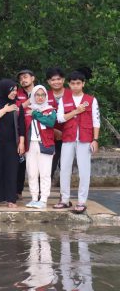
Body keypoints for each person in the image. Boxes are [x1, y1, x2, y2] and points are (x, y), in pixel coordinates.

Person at [54, 70, 100, 214]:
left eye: (78, 83)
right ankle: (65, 199)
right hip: (68, 137)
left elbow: (96, 121)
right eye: (73, 83)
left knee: (84, 171)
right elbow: (60, 118)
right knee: (65, 169)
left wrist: (95, 139)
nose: (75, 86)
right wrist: (76, 111)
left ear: (83, 84)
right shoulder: (64, 99)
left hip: (85, 138)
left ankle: (81, 201)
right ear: (69, 84)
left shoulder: (91, 100)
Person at [0, 79, 22, 208]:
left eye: (16, 90)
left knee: (11, 170)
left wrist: (21, 143)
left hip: (12, 143)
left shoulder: (18, 104)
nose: (14, 93)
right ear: (5, 89)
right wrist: (5, 109)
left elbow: (21, 126)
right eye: (12, 90)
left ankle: (11, 199)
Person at [22, 85, 57, 209]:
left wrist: (36, 113)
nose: (40, 97)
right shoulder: (27, 110)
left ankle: (43, 199)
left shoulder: (50, 110)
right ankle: (34, 198)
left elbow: (50, 122)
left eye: (43, 95)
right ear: (33, 96)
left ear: (46, 96)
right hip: (30, 145)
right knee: (32, 173)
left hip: (45, 144)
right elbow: (22, 127)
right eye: (37, 95)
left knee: (45, 173)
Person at [15, 69, 37, 197]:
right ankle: (18, 191)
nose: (23, 80)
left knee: (39, 164)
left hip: (39, 132)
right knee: (21, 161)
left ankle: (39, 193)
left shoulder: (42, 92)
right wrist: (29, 100)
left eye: (25, 77)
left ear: (33, 78)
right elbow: (17, 109)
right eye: (21, 79)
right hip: (22, 131)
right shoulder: (17, 94)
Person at [46, 67, 66, 180]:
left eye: (58, 79)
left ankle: (64, 195)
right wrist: (53, 130)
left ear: (63, 80)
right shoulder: (43, 95)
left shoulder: (71, 94)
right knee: (48, 167)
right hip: (49, 137)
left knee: (66, 166)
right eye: (53, 80)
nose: (56, 82)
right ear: (48, 82)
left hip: (68, 136)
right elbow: (38, 116)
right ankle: (43, 194)